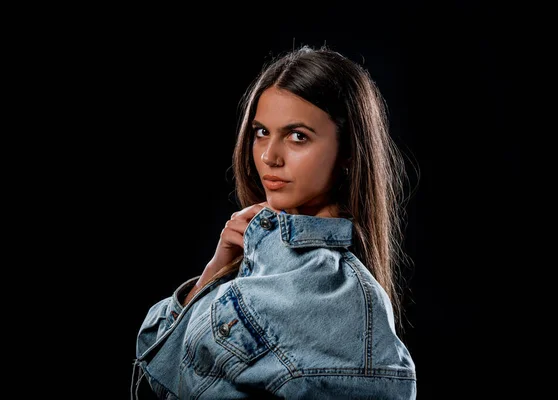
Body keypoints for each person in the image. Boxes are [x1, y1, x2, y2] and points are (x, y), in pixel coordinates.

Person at [132, 45, 417, 399]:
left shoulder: (341, 295)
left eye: (298, 137)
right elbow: (156, 367)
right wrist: (216, 271)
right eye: (261, 132)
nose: (269, 157)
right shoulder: (258, 258)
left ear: (347, 152)